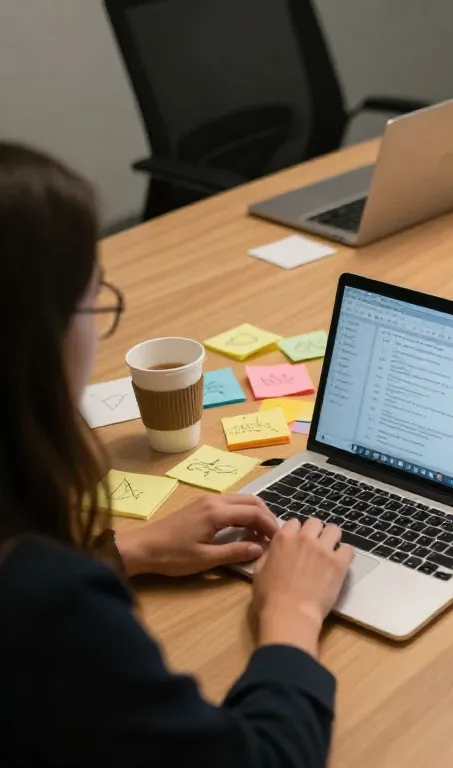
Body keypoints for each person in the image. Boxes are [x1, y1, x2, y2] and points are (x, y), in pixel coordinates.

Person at [0, 142, 354, 766]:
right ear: (36, 338)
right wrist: (293, 612)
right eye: (94, 300)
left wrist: (126, 550)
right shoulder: (55, 613)